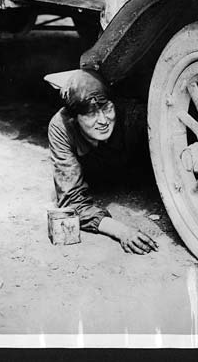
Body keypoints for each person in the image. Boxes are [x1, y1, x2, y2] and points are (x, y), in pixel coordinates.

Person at [47, 69, 158, 254]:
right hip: (95, 179)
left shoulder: (132, 114)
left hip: (132, 173)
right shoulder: (61, 128)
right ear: (75, 119)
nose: (103, 121)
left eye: (107, 108)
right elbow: (72, 202)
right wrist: (121, 231)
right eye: (90, 115)